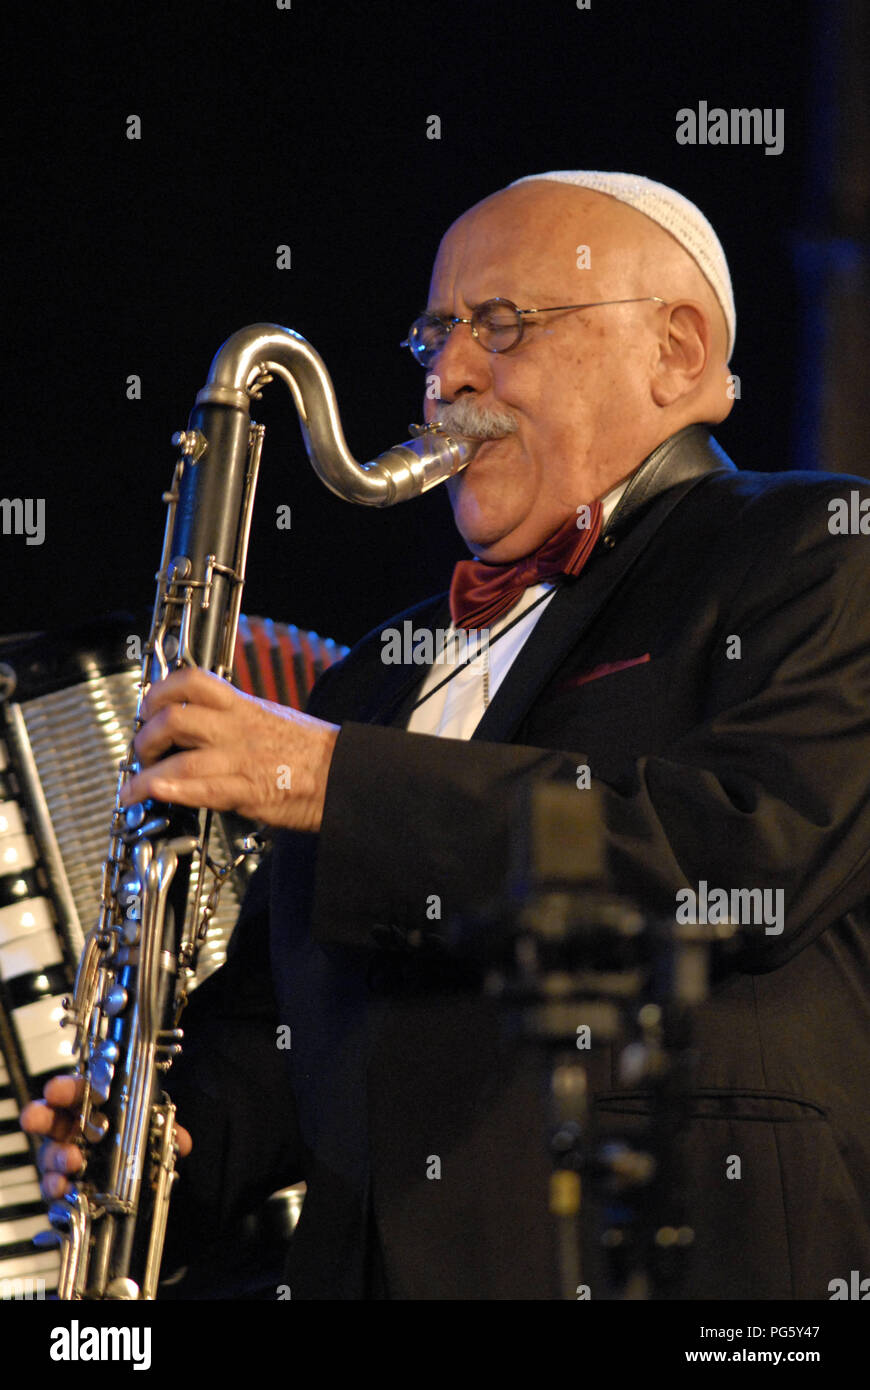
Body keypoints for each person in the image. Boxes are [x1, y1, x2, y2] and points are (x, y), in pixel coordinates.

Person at [23, 171, 870, 1300]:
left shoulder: (815, 551)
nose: (448, 376)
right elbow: (290, 1031)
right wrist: (173, 1145)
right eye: (435, 336)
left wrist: (325, 773)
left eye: (503, 326)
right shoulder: (377, 675)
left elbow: (728, 861)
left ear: (676, 350)